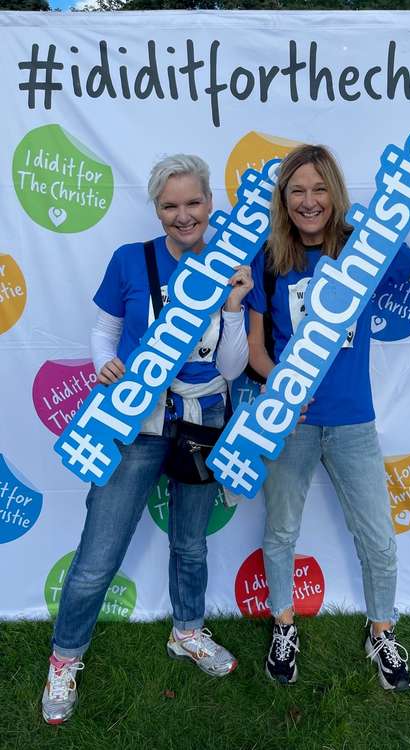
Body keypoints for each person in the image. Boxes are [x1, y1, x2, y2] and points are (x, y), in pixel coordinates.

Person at [42, 154, 253, 724]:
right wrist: (106, 362)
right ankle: (65, 658)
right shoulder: (130, 261)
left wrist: (234, 307)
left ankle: (186, 631)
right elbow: (104, 329)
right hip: (135, 423)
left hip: (205, 421)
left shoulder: (232, 262)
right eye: (170, 205)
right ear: (156, 209)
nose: (184, 216)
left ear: (210, 203)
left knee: (191, 542)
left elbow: (233, 370)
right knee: (97, 555)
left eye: (193, 203)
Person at [245, 144, 410, 691]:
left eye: (319, 189)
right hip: (288, 423)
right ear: (284, 198)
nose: (309, 201)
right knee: (281, 531)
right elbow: (255, 350)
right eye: (297, 191)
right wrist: (281, 388)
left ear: (334, 193)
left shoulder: (364, 249)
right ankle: (284, 625)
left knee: (379, 537)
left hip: (353, 422)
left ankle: (381, 630)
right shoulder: (269, 258)